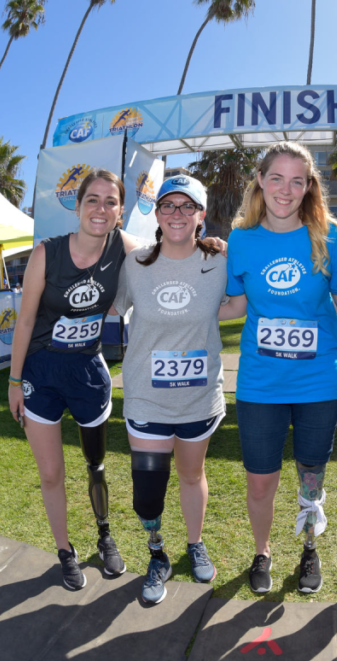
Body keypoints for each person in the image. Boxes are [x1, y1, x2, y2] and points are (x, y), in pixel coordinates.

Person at [225, 141, 337, 595]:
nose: (286, 188)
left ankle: (309, 547)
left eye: (298, 180)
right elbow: (236, 303)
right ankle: (263, 552)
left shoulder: (330, 235)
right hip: (260, 384)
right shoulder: (242, 238)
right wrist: (174, 309)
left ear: (309, 185)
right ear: (260, 179)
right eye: (276, 177)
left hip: (319, 382)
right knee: (261, 482)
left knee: (311, 478)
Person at [8, 169, 137, 590]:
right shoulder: (47, 254)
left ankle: (105, 533)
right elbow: (25, 321)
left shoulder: (124, 248)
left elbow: (169, 256)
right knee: (51, 474)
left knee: (96, 466)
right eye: (92, 200)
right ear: (78, 206)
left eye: (110, 201)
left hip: (88, 372)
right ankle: (66, 551)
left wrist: (208, 245)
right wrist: (13, 381)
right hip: (41, 373)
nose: (101, 208)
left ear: (120, 211)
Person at [112, 175, 234, 604]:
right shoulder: (137, 262)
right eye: (168, 206)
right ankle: (156, 552)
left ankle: (194, 543)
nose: (177, 214)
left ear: (202, 215)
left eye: (188, 206)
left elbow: (238, 301)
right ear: (157, 214)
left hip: (198, 398)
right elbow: (113, 305)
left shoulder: (220, 261)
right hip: (147, 396)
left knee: (190, 474)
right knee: (148, 490)